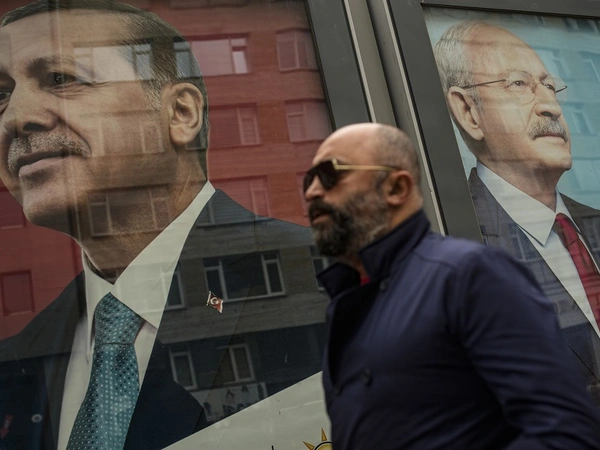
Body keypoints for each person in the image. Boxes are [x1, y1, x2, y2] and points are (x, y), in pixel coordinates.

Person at [0, 1, 321, 449]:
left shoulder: (336, 284)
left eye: (60, 79)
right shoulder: (19, 358)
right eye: (1, 96)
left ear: (181, 113)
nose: (15, 118)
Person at [304, 122, 600, 449]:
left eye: (330, 175)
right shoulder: (347, 309)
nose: (312, 191)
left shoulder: (469, 276)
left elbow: (566, 432)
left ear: (396, 188)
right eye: (309, 179)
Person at [433, 21, 600, 399]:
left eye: (550, 86)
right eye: (519, 84)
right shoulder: (450, 251)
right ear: (468, 112)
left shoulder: (593, 223)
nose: (551, 105)